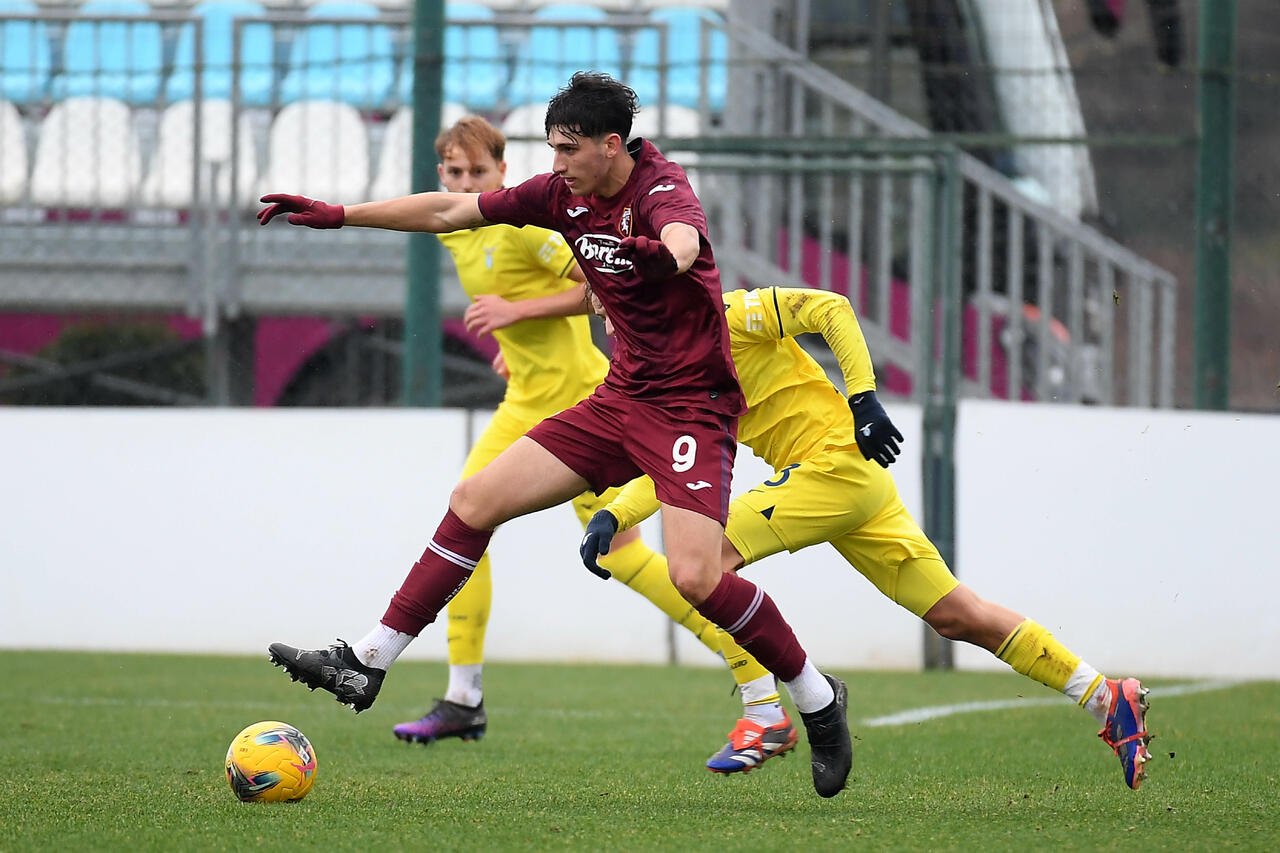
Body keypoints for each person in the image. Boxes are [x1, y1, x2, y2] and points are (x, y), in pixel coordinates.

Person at [257, 72, 852, 798]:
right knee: (474, 500)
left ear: (611, 145)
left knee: (696, 576)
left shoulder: (662, 188)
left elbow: (683, 240)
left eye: (568, 149)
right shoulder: (558, 194)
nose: (556, 162)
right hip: (618, 399)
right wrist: (339, 214)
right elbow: (449, 210)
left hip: (690, 410)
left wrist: (654, 255)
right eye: (552, 148)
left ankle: (815, 697)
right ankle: (368, 661)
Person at [580, 285, 1152, 790]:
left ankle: (768, 710)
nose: (605, 318)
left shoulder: (729, 316)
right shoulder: (670, 373)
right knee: (958, 616)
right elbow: (680, 464)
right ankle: (1105, 696)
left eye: (608, 301)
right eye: (599, 308)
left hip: (837, 466)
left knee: (701, 565)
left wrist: (863, 398)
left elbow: (830, 308)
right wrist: (616, 513)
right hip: (851, 481)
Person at [373, 114, 784, 760]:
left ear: (502, 172)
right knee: (467, 514)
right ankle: (462, 695)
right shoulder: (461, 235)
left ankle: (758, 678)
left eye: (478, 172)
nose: (465, 182)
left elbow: (597, 282)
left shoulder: (521, 231)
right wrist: (515, 345)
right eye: (454, 172)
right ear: (440, 174)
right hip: (524, 402)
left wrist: (515, 312)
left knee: (636, 561)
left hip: (584, 402)